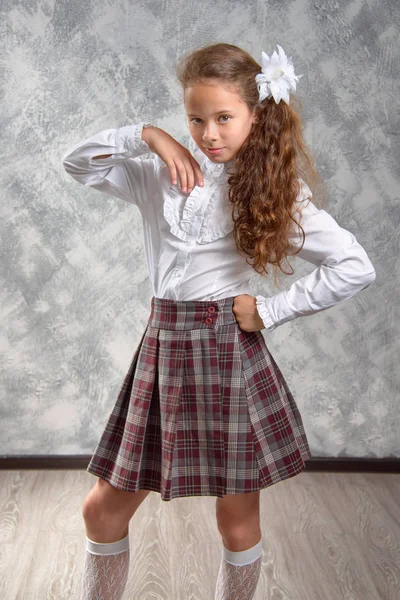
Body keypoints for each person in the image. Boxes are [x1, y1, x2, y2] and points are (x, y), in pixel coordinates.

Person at [62, 43, 376, 600]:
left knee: (236, 521)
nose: (209, 133)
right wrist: (149, 135)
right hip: (162, 350)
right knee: (102, 510)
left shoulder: (277, 192)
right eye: (196, 118)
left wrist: (272, 310)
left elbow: (354, 265)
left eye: (225, 117)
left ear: (256, 116)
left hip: (228, 355)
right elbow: (77, 162)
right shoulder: (160, 176)